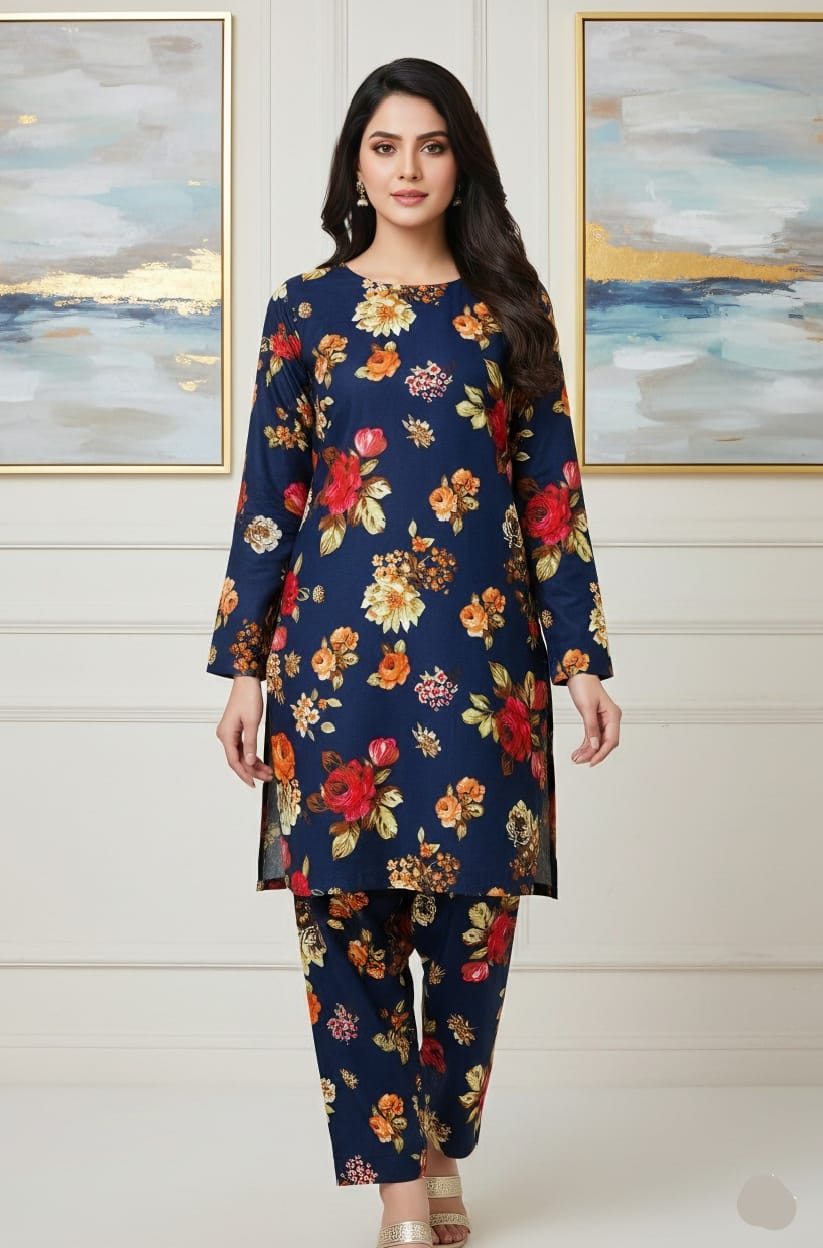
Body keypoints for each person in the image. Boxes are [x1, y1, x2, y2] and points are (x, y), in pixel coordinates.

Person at [209, 56, 621, 1248]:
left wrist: (581, 659)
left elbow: (550, 495)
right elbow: (272, 497)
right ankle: (400, 1191)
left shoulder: (509, 311)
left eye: (431, 146)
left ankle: (441, 1148)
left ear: (461, 163)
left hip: (484, 672)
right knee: (344, 920)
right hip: (330, 667)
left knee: (473, 924)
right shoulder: (305, 310)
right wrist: (245, 669)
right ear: (355, 164)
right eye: (385, 146)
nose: (407, 169)